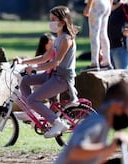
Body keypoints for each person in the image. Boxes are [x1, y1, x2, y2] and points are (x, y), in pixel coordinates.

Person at [43, 81, 128, 164]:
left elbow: (94, 161)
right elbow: (75, 151)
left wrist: (112, 148)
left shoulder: (103, 124)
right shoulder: (97, 122)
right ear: (116, 106)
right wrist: (109, 146)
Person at [15, 6, 79, 138]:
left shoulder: (66, 39)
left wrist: (35, 69)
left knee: (33, 99)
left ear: (62, 21)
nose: (51, 22)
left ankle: (58, 123)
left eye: (53, 19)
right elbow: (44, 57)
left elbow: (56, 62)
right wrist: (23, 61)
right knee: (24, 81)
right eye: (50, 19)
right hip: (51, 75)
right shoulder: (58, 39)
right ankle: (32, 111)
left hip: (61, 79)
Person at [83, 0, 114, 71]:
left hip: (97, 3)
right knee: (103, 34)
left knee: (94, 35)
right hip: (107, 3)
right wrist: (110, 4)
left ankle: (94, 63)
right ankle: (106, 62)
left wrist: (88, 6)